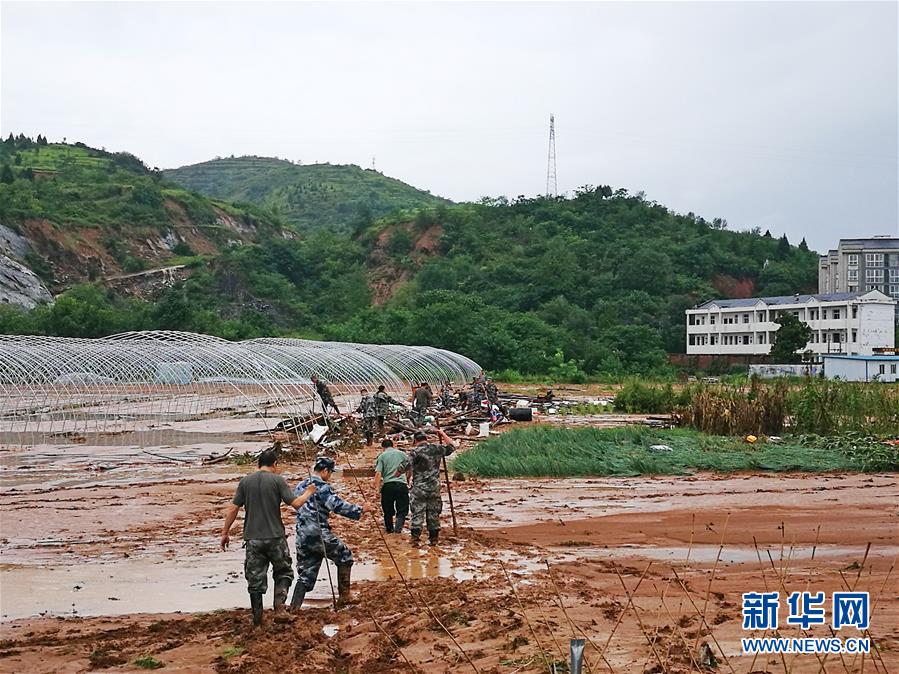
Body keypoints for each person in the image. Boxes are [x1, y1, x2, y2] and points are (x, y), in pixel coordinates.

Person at [220, 448, 317, 626]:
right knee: (284, 572)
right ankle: (279, 609)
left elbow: (234, 508)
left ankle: (257, 619)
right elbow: (296, 504)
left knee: (255, 579)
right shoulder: (277, 480)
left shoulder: (245, 482)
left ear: (258, 464)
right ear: (275, 464)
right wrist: (308, 492)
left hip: (252, 539)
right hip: (275, 537)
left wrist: (225, 532)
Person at [290, 456, 363, 610]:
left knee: (305, 575)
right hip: (319, 533)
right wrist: (361, 509)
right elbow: (338, 506)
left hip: (302, 535)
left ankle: (293, 608)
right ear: (325, 471)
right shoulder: (322, 487)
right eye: (329, 473)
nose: (329, 476)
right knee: (345, 556)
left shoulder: (300, 486)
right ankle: (344, 597)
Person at [399, 429, 455, 546]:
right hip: (434, 488)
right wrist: (442, 433)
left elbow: (404, 466)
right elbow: (451, 446)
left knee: (417, 513)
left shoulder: (415, 452)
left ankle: (415, 539)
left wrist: (397, 473)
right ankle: (434, 539)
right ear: (426, 439)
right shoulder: (436, 448)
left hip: (419, 488)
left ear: (415, 441)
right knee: (434, 513)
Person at [373, 438, 409, 534]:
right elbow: (409, 468)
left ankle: (389, 530)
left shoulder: (382, 456)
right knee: (402, 509)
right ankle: (398, 530)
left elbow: (378, 473)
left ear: (383, 448)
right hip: (402, 485)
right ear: (393, 445)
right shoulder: (402, 454)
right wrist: (408, 480)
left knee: (387, 509)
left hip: (388, 485)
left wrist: (376, 489)